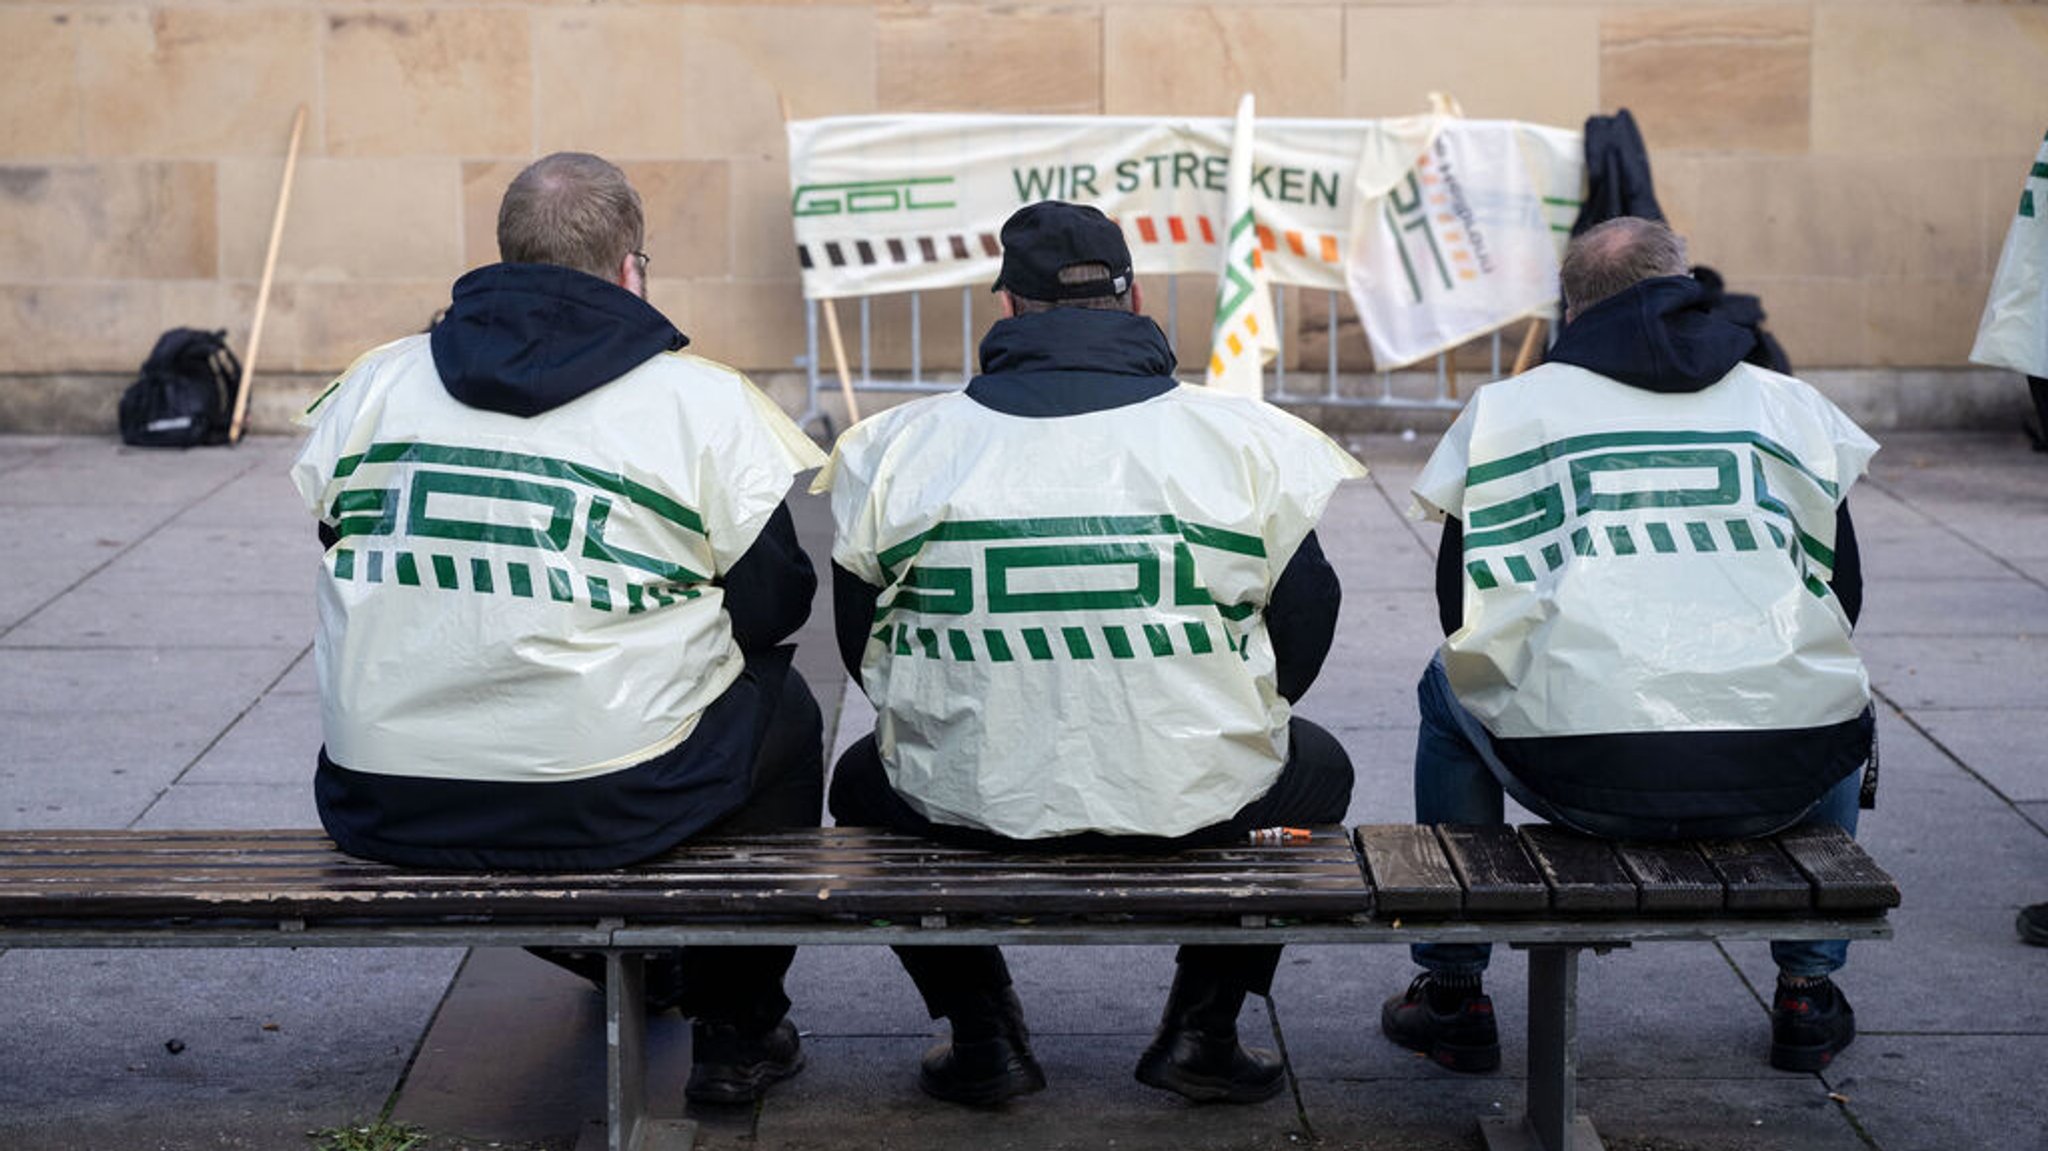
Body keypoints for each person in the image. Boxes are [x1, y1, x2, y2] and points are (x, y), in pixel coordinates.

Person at [289, 152, 828, 1105]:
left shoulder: (376, 383)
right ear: (632, 271)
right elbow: (776, 606)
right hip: (604, 797)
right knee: (780, 708)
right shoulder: (698, 400)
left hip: (384, 797)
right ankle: (735, 1032)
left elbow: (336, 540)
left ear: (503, 256)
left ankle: (645, 968)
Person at [816, 201, 1366, 1107]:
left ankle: (984, 1035)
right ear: (1134, 297)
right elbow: (1308, 624)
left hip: (965, 803)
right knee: (1319, 771)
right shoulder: (1241, 440)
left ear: (1009, 310)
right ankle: (1204, 1029)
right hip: (1201, 800)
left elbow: (864, 653)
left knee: (862, 785)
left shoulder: (899, 447)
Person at [1385, 216, 1878, 1075]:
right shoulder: (1788, 403)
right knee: (1829, 673)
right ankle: (1808, 987)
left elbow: (1458, 610)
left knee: (1445, 683)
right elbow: (1844, 597)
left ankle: (1455, 990)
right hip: (1778, 769)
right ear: (1686, 286)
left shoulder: (1507, 411)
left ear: (1571, 309)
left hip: (1575, 770)